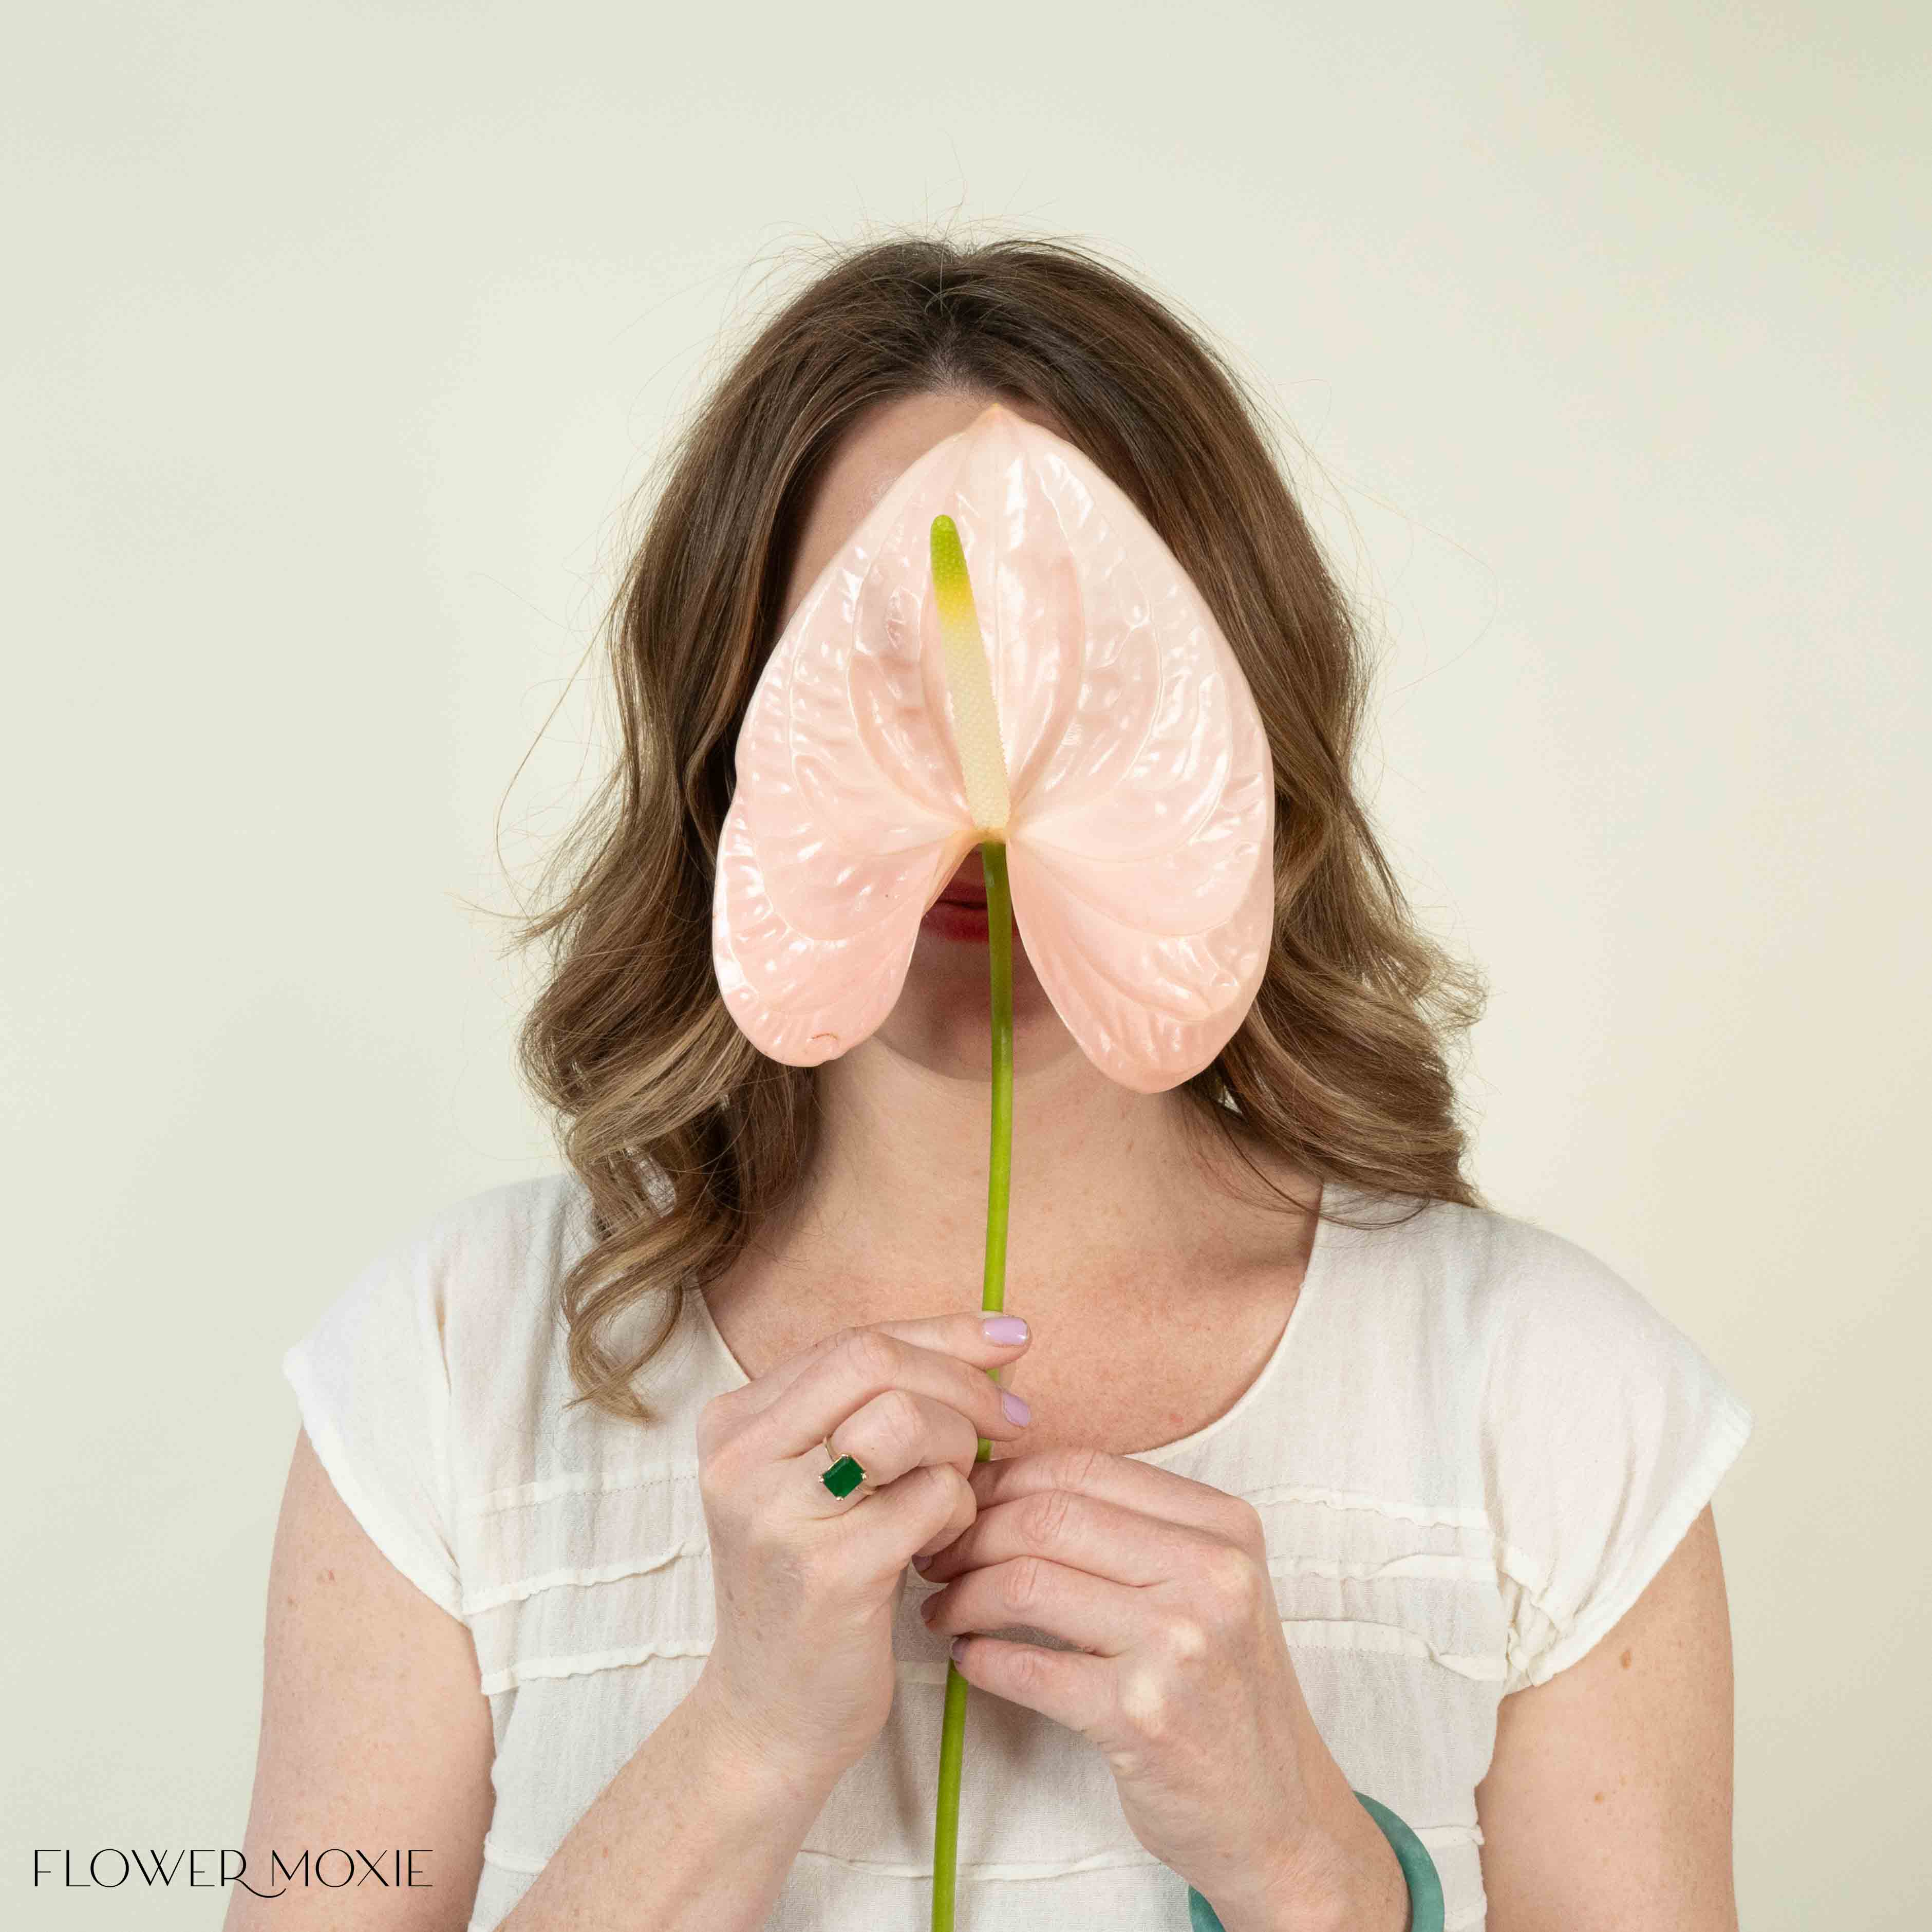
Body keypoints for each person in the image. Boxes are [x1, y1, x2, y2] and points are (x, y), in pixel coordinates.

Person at [228, 235, 1753, 1932]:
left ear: (1238, 719)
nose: (980, 774)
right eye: (885, 663)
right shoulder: (451, 1371)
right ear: (730, 725)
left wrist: (1302, 1863)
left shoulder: (1548, 1401)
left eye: (1079, 669)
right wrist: (740, 1748)